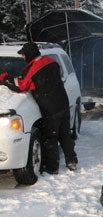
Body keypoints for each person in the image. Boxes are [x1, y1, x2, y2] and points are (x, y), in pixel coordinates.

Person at [0, 42, 78, 174]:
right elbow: (57, 70)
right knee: (65, 135)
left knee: (51, 137)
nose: (23, 57)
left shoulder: (35, 68)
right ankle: (72, 161)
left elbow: (21, 86)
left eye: (24, 55)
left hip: (50, 107)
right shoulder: (50, 61)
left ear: (29, 54)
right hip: (63, 102)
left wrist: (5, 78)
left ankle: (52, 168)